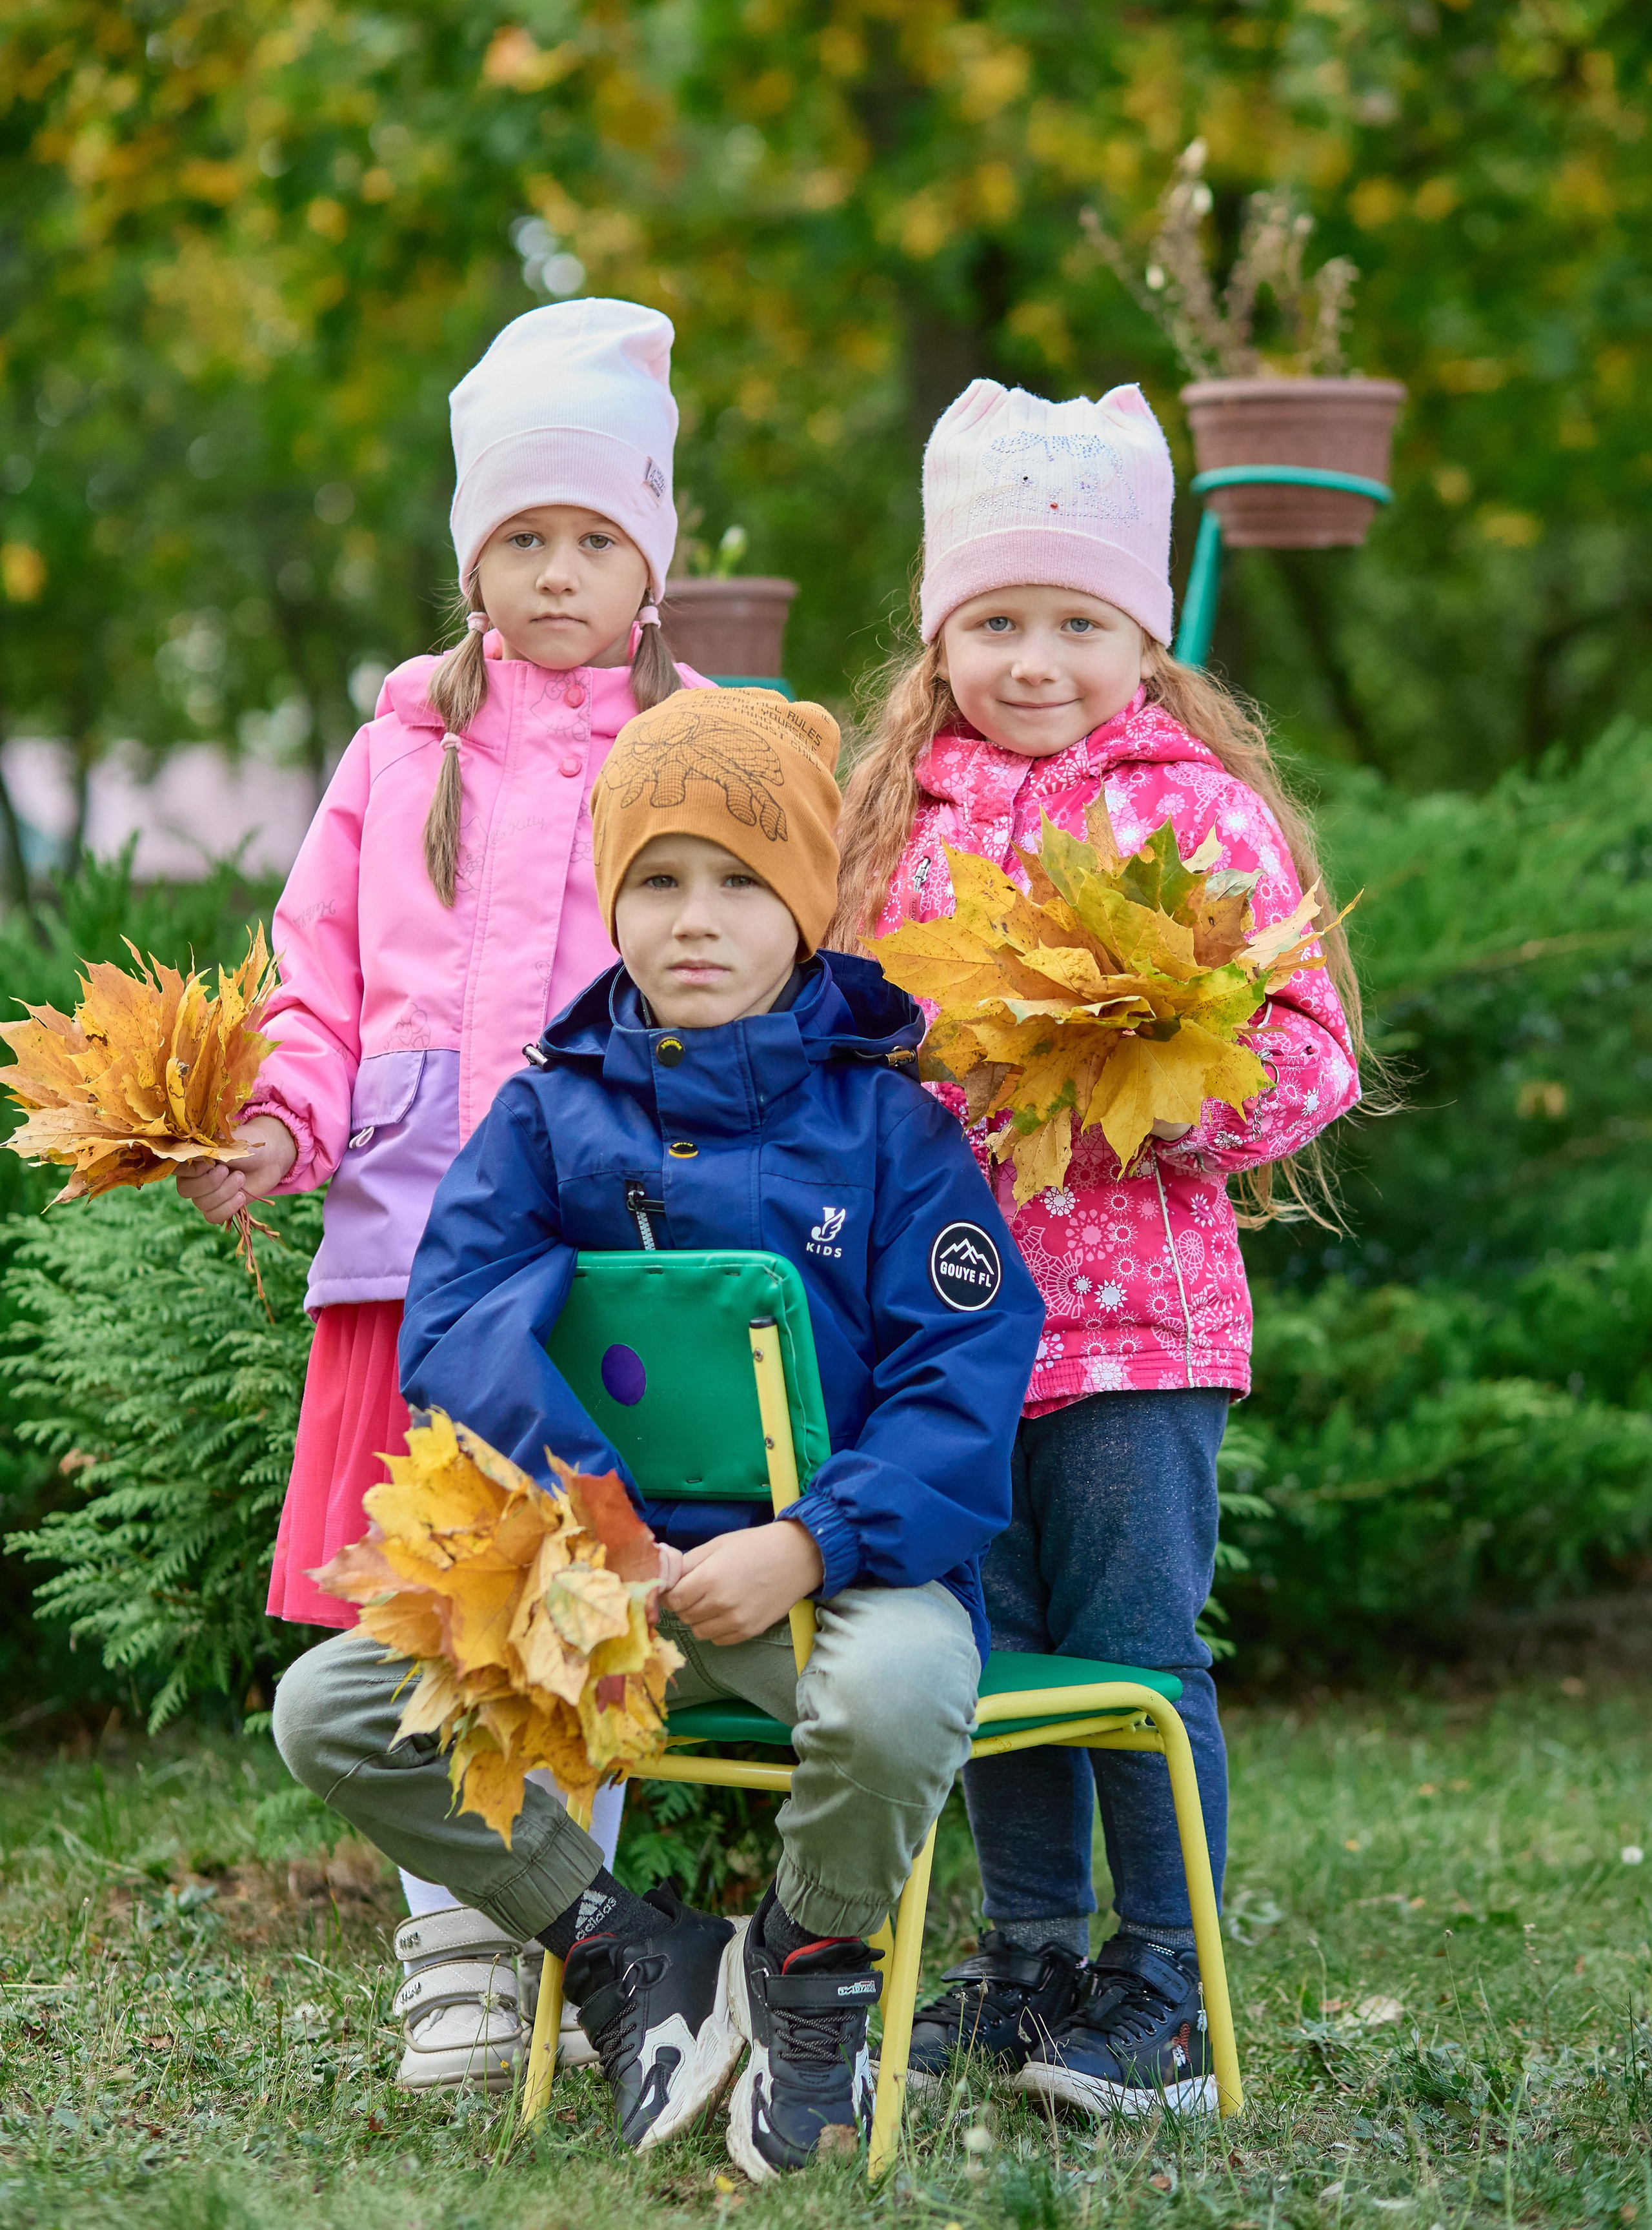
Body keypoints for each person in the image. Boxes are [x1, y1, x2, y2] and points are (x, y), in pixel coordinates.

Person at [270, 687, 1046, 2177]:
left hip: (831, 1581)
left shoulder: (892, 1131)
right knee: (332, 1709)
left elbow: (964, 1374)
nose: (698, 920)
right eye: (658, 880)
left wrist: (812, 1541)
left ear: (807, 909)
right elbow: (457, 1328)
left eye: (744, 882)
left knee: (894, 1697)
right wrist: (595, 1527)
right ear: (612, 899)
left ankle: (803, 1965)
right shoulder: (549, 1114)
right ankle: (625, 1947)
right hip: (596, 1581)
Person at [177, 298, 711, 2091]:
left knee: (578, 1603)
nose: (558, 574)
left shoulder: (694, 742)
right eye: (523, 539)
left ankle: (588, 1955)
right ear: (474, 551)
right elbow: (319, 983)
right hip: (412, 1249)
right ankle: (464, 1965)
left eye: (593, 539)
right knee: (426, 1615)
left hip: (608, 1262)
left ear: (654, 549)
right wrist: (274, 1123)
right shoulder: (398, 746)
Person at [829, 376, 1365, 2115]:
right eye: (995, 620)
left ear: (1141, 634)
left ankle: (1170, 1983)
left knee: (1134, 1646)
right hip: (950, 1339)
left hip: (1141, 1336)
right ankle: (1033, 1961)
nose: (1035, 659)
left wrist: (1144, 1079)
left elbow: (1304, 1057)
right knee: (987, 1655)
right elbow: (855, 1040)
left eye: (1078, 620)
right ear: (940, 633)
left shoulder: (1194, 813)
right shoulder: (895, 825)